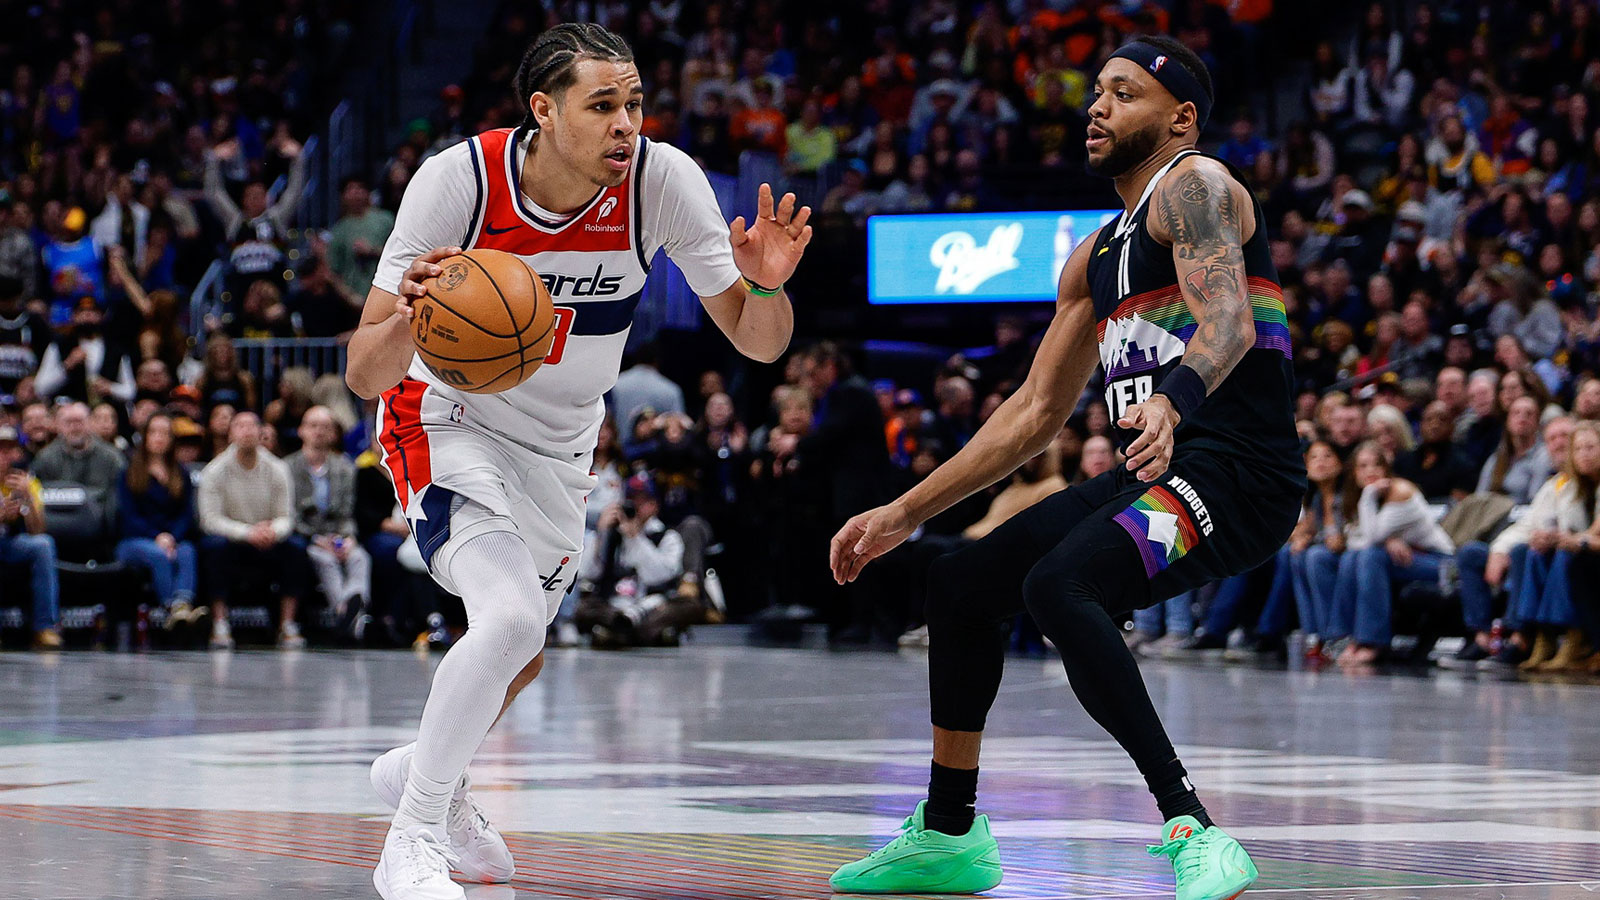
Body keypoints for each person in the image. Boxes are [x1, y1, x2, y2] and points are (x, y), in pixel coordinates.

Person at [342, 23, 811, 900]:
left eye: (634, 103)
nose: (626, 123)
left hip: (561, 447)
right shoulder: (460, 181)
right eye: (603, 105)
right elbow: (363, 372)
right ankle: (412, 839)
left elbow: (759, 342)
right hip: (446, 418)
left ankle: (422, 772)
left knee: (518, 656)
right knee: (512, 619)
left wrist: (769, 283)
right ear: (544, 111)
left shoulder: (661, 182)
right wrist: (410, 314)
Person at [828, 36, 1300, 900]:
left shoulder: (1195, 185)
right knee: (959, 585)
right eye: (1097, 91)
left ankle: (1192, 826)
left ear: (1180, 119)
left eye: (1123, 93)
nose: (1098, 106)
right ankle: (949, 832)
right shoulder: (1095, 255)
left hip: (1239, 473)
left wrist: (1172, 400)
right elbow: (1034, 413)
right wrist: (905, 512)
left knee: (1060, 585)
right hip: (1155, 472)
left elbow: (1229, 323)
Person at [196, 411, 304, 651]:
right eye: (240, 426)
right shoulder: (214, 471)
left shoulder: (278, 468)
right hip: (233, 539)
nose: (246, 431)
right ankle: (220, 623)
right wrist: (247, 532)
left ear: (261, 432)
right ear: (230, 434)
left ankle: (287, 625)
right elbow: (210, 520)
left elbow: (286, 517)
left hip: (267, 540)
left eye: (251, 426)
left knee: (296, 547)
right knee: (213, 547)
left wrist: (272, 531)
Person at [286, 405, 371, 639]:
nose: (319, 432)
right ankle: (348, 613)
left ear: (334, 433)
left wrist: (348, 538)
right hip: (307, 536)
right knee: (324, 559)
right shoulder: (288, 467)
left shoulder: (345, 467)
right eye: (313, 426)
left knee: (359, 557)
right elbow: (290, 514)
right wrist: (316, 539)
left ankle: (349, 612)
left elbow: (347, 512)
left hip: (337, 534)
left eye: (325, 427)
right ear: (302, 430)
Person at [115, 414, 200, 621]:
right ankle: (169, 608)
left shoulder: (181, 473)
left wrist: (171, 537)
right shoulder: (128, 472)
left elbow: (185, 514)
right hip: (134, 540)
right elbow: (128, 516)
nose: (159, 438)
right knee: (157, 555)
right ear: (145, 436)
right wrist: (157, 537)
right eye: (154, 432)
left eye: (165, 433)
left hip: (171, 539)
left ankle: (182, 604)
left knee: (187, 551)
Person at [0, 425, 61, 649]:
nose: (5, 456)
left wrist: (28, 499)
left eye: (10, 450)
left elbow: (38, 530)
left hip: (13, 543)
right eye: (1, 450)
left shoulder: (27, 481)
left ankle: (45, 627)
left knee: (44, 545)